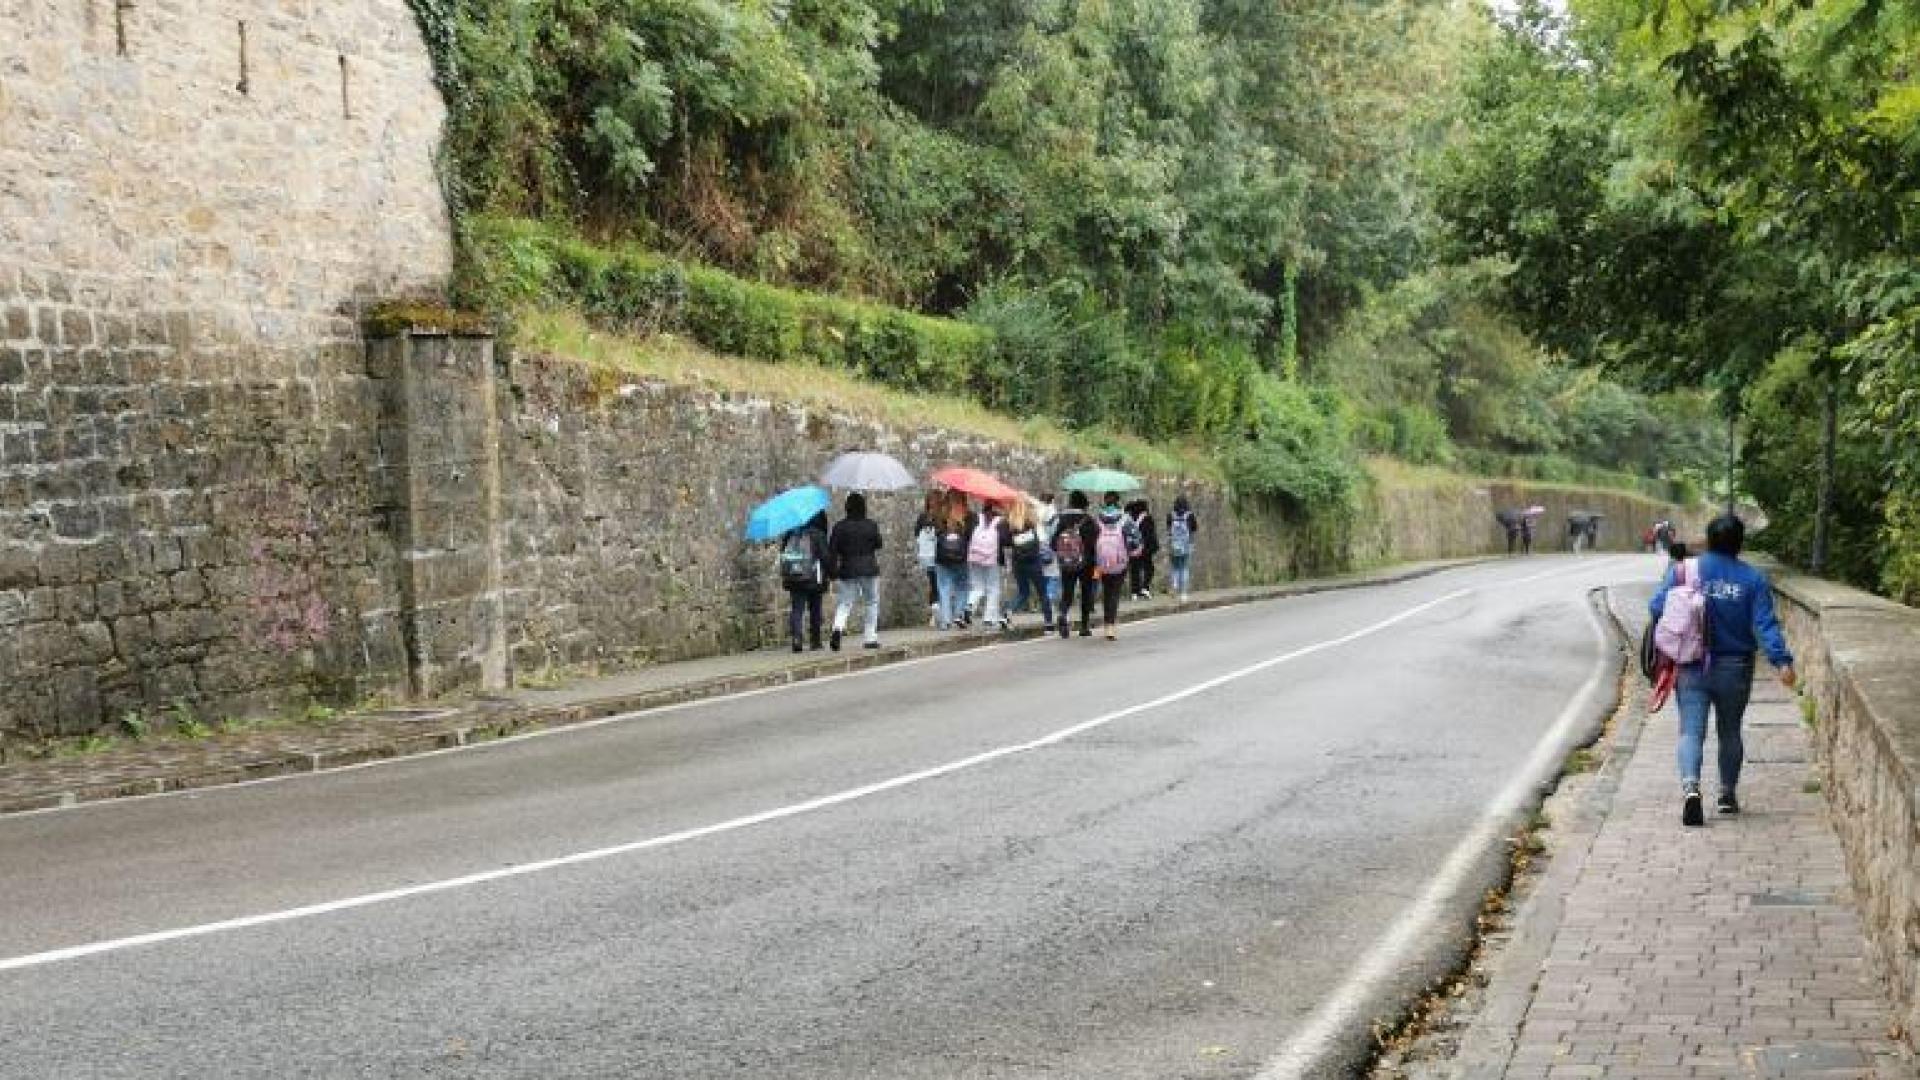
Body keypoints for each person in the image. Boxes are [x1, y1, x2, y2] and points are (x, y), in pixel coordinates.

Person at [1649, 514, 1797, 827]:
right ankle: (1727, 795)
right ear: (1740, 542)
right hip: (1735, 667)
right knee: (1729, 731)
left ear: (1710, 538)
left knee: (1691, 731)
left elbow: (1656, 606)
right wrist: (1781, 660)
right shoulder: (1752, 579)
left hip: (1690, 665)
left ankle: (1691, 789)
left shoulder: (1684, 571)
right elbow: (1765, 624)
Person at [827, 492, 883, 651]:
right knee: (871, 602)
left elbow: (832, 550)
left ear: (847, 508)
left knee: (845, 603)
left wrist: (832, 571)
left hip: (848, 568)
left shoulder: (839, 527)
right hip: (869, 568)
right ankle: (870, 637)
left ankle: (837, 628)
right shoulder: (871, 525)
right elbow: (879, 544)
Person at [779, 510, 830, 652]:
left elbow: (784, 554)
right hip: (814, 578)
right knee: (815, 609)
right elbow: (825, 557)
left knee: (797, 609)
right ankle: (815, 641)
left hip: (795, 577)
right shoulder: (818, 535)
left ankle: (797, 639)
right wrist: (831, 573)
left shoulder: (790, 534)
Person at [1052, 492, 1100, 638]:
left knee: (1067, 592)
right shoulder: (1089, 520)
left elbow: (1053, 541)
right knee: (1086, 592)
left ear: (1071, 503)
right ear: (1084, 504)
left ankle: (1062, 614)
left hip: (1067, 562)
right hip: (1087, 562)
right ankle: (1084, 626)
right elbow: (1094, 542)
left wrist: (1063, 553)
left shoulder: (1061, 519)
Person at [1093, 493, 1140, 640]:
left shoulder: (1097, 519)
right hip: (1120, 562)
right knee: (1115, 593)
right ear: (1118, 502)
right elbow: (1135, 540)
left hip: (1101, 562)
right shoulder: (1125, 519)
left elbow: (1090, 539)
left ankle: (1107, 624)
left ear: (1104, 501)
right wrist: (1133, 550)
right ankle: (1111, 626)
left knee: (1106, 592)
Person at [1002, 498, 1054, 630]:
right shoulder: (1031, 521)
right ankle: (1048, 624)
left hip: (1018, 562)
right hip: (1033, 561)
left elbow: (1006, 542)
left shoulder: (1010, 523)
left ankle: (1007, 613)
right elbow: (1043, 509)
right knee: (1042, 592)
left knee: (1023, 593)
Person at [931, 490, 973, 630]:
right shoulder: (968, 515)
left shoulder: (939, 514)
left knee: (944, 588)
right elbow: (970, 536)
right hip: (961, 557)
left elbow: (936, 533)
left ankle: (945, 621)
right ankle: (958, 614)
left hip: (942, 557)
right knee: (962, 587)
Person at [965, 499, 1008, 629]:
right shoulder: (1000, 522)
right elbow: (1006, 540)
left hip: (975, 557)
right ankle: (989, 618)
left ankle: (970, 606)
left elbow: (967, 535)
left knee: (977, 587)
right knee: (993, 589)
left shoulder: (975, 519)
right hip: (992, 560)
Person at [913, 490, 943, 627]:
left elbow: (916, 535)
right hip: (942, 555)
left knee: (933, 583)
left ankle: (934, 610)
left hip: (927, 556)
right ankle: (942, 611)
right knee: (944, 584)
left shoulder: (922, 517)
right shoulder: (942, 517)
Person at [1166, 496, 1198, 602]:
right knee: (1184, 568)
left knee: (1175, 567)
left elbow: (1168, 529)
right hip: (1186, 545)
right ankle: (1183, 594)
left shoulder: (1170, 515)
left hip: (1174, 545)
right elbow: (1194, 529)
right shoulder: (1190, 515)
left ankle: (1174, 586)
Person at [1127, 499, 1158, 600]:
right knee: (1149, 568)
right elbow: (1150, 535)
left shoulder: (1130, 518)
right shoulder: (1147, 518)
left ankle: (1134, 593)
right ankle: (1145, 588)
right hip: (1145, 549)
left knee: (1134, 570)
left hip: (1133, 548)